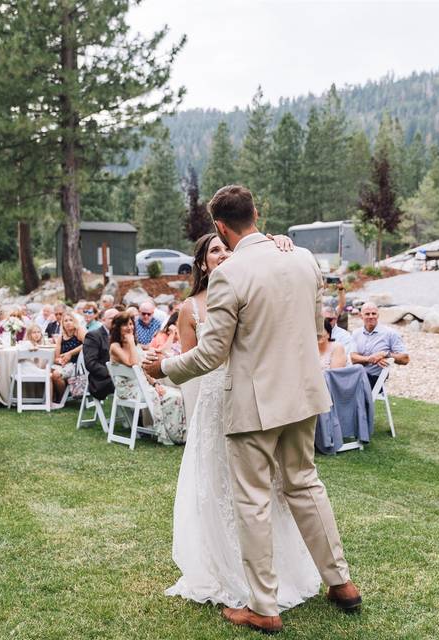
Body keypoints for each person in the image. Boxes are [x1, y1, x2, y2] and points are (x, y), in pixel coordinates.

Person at [144, 185, 359, 634]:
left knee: (253, 500)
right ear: (257, 213)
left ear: (220, 226)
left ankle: (264, 607)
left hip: (256, 405)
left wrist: (163, 367)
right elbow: (318, 330)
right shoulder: (303, 259)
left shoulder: (231, 274)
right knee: (305, 485)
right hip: (303, 395)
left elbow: (211, 355)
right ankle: (341, 583)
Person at [164, 231, 319, 615]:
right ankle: (222, 567)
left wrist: (277, 241)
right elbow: (196, 365)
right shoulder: (190, 309)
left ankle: (275, 577)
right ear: (201, 263)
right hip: (215, 402)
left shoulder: (246, 280)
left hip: (255, 400)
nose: (222, 254)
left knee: (266, 489)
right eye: (213, 251)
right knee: (218, 488)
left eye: (226, 247)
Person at [110, 311, 186, 446]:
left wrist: (155, 384)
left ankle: (178, 433)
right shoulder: (115, 346)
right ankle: (171, 435)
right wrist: (132, 342)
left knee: (177, 394)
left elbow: (142, 369)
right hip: (128, 390)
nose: (130, 327)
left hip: (141, 385)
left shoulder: (134, 345)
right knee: (173, 397)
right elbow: (132, 363)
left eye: (131, 324)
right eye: (125, 325)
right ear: (118, 328)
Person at [350, 302, 410, 391]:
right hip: (357, 375)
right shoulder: (356, 333)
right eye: (367, 314)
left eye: (373, 313)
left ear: (378, 315)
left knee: (346, 386)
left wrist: (385, 354)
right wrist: (370, 359)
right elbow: (353, 358)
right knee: (335, 380)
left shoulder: (390, 333)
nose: (371, 316)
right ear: (361, 316)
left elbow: (405, 359)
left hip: (375, 379)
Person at [82, 308, 117, 402]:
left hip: (120, 376)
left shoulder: (121, 335)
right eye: (111, 318)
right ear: (103, 320)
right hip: (101, 380)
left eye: (117, 318)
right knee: (132, 384)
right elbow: (90, 363)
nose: (115, 321)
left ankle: (137, 414)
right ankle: (136, 414)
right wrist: (111, 372)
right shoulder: (93, 336)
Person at [51, 312, 86, 401]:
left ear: (75, 322)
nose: (68, 322)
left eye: (71, 320)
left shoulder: (78, 332)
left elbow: (88, 343)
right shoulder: (60, 338)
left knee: (56, 374)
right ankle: (61, 397)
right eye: (65, 321)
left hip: (77, 365)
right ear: (62, 324)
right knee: (50, 371)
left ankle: (61, 399)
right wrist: (60, 361)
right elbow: (57, 357)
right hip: (65, 365)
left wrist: (70, 353)